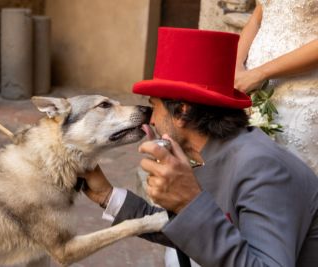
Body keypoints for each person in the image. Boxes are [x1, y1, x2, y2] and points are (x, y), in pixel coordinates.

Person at [83, 27, 318, 266]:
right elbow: (195, 230)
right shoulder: (213, 152)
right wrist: (107, 196)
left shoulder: (262, 167)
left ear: (182, 111)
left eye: (155, 107)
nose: (151, 120)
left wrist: (188, 201)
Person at [234, 0, 318, 174]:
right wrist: (236, 64)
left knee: (296, 174)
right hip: (254, 91)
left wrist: (261, 73)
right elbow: (260, 14)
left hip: (301, 96)